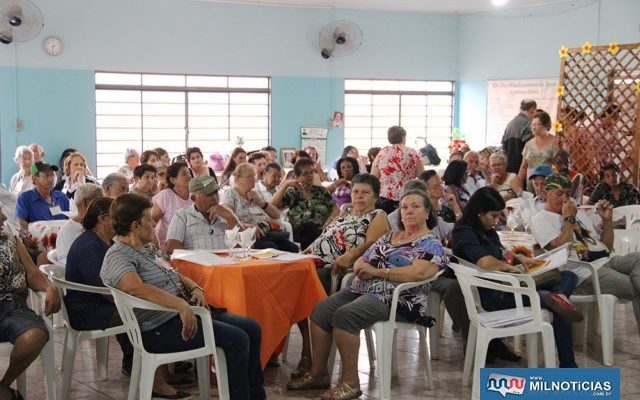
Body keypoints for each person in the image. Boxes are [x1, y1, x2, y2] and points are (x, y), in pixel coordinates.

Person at [101, 194, 266, 400]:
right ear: (135, 226)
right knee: (237, 339)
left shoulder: (147, 248)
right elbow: (134, 288)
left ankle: (256, 397)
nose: (154, 223)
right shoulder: (118, 255)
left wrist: (195, 288)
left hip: (182, 316)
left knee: (252, 328)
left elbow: (172, 272)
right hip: (158, 330)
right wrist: (180, 305)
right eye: (149, 219)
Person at [287, 190, 447, 399]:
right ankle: (318, 373)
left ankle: (350, 382)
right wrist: (364, 265)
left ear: (427, 212)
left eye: (415, 207)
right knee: (321, 310)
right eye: (404, 207)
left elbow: (418, 272)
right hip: (365, 288)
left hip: (398, 300)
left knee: (345, 315)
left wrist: (378, 272)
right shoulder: (391, 236)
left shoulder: (430, 243)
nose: (408, 211)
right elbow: (363, 258)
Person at [452, 186, 583, 368]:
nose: (497, 221)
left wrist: (518, 258)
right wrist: (511, 269)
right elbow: (484, 262)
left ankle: (558, 297)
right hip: (494, 295)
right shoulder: (464, 233)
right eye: (493, 216)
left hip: (510, 287)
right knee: (554, 302)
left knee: (568, 275)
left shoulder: (486, 229)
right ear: (479, 213)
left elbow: (500, 252)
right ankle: (568, 365)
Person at [531, 173, 640, 336]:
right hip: (585, 273)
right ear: (546, 193)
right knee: (635, 288)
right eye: (559, 193)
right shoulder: (541, 220)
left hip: (607, 260)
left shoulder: (577, 212)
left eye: (568, 193)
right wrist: (569, 218)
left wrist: (607, 221)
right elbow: (562, 249)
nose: (565, 198)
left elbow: (606, 249)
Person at [64, 197, 134, 376]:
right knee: (147, 312)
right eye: (118, 216)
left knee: (143, 305)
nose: (122, 221)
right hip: (88, 311)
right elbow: (108, 291)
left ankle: (143, 361)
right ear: (103, 219)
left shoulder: (105, 242)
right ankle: (145, 365)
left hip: (100, 302)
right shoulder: (89, 246)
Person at [0, 205, 61, 400]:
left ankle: (3, 386)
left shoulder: (10, 237)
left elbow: (32, 273)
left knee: (35, 335)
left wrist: (50, 287)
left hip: (12, 308)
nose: (3, 217)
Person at [221, 163, 298, 252]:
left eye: (254, 176)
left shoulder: (255, 193)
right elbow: (227, 215)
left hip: (267, 233)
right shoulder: (230, 193)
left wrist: (260, 202)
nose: (253, 179)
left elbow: (276, 215)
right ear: (238, 179)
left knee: (292, 248)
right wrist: (245, 226)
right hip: (247, 235)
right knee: (271, 248)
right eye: (249, 176)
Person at [271, 158, 338, 250]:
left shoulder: (321, 191)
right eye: (305, 173)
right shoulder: (292, 192)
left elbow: (336, 210)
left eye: (311, 172)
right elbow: (273, 205)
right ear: (297, 177)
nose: (310, 176)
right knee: (309, 227)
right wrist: (286, 185)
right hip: (300, 231)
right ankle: (312, 253)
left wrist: (328, 224)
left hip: (323, 229)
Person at [165, 176, 240, 256]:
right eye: (209, 194)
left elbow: (246, 244)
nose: (214, 198)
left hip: (226, 265)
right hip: (196, 266)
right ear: (194, 198)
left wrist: (230, 217)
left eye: (215, 192)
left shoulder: (226, 214)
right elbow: (172, 247)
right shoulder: (182, 215)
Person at [371, 126, 424, 214]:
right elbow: (422, 176)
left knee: (387, 224)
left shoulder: (382, 153)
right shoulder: (412, 153)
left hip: (385, 197)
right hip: (408, 196)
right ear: (403, 137)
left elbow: (373, 177)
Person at [55, 184, 104, 264]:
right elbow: (67, 265)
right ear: (85, 203)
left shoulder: (100, 226)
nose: (103, 207)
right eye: (99, 203)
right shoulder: (67, 231)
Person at [15, 161, 70, 230]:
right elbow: (20, 221)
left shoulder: (61, 197)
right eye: (47, 175)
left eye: (52, 175)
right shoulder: (25, 198)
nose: (51, 179)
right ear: (34, 179)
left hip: (62, 238)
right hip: (38, 239)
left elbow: (70, 218)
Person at [151, 161, 193, 251]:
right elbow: (151, 223)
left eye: (189, 173)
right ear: (173, 180)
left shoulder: (195, 195)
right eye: (184, 174)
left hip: (191, 247)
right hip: (167, 248)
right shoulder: (165, 196)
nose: (189, 176)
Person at [518, 110, 558, 185]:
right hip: (531, 183)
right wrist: (518, 182)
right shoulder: (528, 144)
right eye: (532, 125)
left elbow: (559, 166)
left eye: (536, 124)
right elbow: (523, 167)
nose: (533, 127)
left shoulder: (555, 142)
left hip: (548, 183)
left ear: (545, 126)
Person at [501, 99, 537, 174]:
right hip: (522, 170)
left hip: (509, 169)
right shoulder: (528, 124)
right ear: (533, 110)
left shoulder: (510, 124)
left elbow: (503, 145)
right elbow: (531, 149)